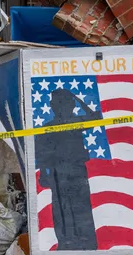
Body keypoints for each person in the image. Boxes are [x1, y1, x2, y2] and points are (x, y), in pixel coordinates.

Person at [36, 88, 98, 250]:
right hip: (58, 172)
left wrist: (76, 98)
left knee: (81, 206)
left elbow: (96, 117)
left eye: (67, 103)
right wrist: (43, 174)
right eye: (60, 103)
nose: (64, 106)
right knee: (62, 208)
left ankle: (86, 241)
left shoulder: (75, 123)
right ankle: (66, 241)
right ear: (53, 106)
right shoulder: (49, 127)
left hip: (76, 170)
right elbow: (41, 153)